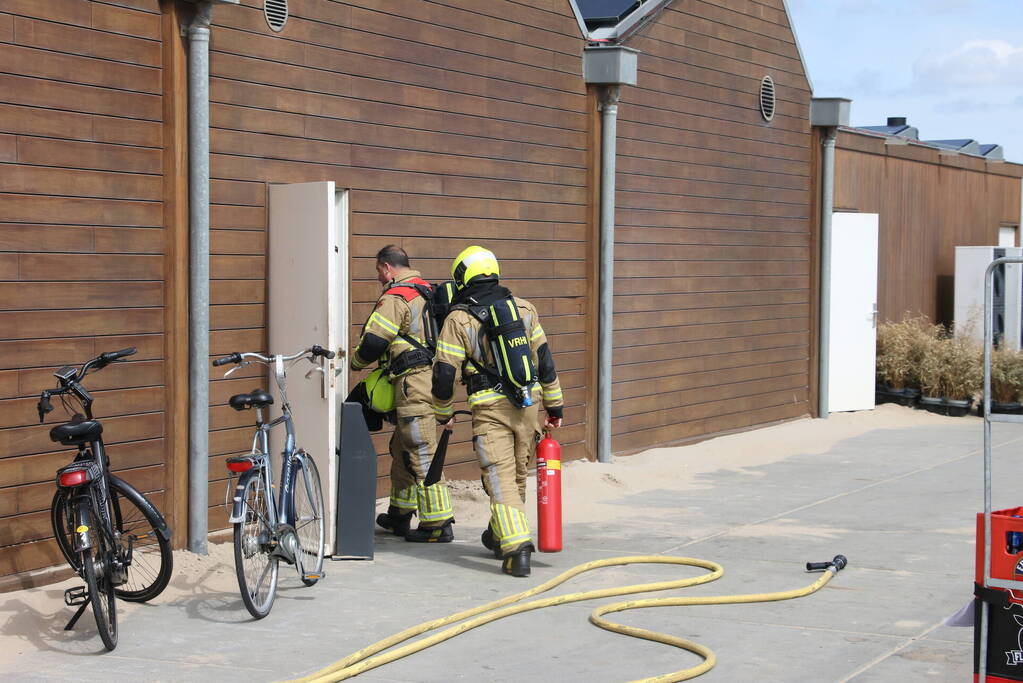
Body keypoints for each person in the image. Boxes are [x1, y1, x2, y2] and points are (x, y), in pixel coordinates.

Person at [431, 246, 564, 576]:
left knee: (500, 477)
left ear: (463, 276)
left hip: (489, 408)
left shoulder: (458, 318)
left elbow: (444, 374)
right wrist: (555, 405)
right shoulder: (525, 309)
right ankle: (496, 534)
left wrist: (443, 412)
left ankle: (517, 546)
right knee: (516, 474)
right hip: (529, 405)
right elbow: (544, 361)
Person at [350, 245, 454, 542]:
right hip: (431, 381)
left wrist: (354, 363)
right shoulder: (428, 291)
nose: (379, 277)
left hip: (413, 383)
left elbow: (373, 342)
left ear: (386, 267)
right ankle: (399, 514)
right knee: (402, 448)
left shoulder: (398, 296)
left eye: (378, 272)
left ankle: (437, 523)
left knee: (421, 450)